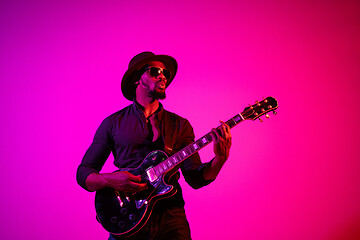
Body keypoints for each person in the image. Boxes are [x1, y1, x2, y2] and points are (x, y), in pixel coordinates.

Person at [76, 52, 232, 240]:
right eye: (155, 71)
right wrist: (110, 180)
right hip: (127, 219)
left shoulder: (180, 125)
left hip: (171, 218)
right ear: (136, 78)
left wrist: (219, 160)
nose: (163, 76)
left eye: (165, 73)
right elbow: (84, 173)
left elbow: (195, 179)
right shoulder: (113, 123)